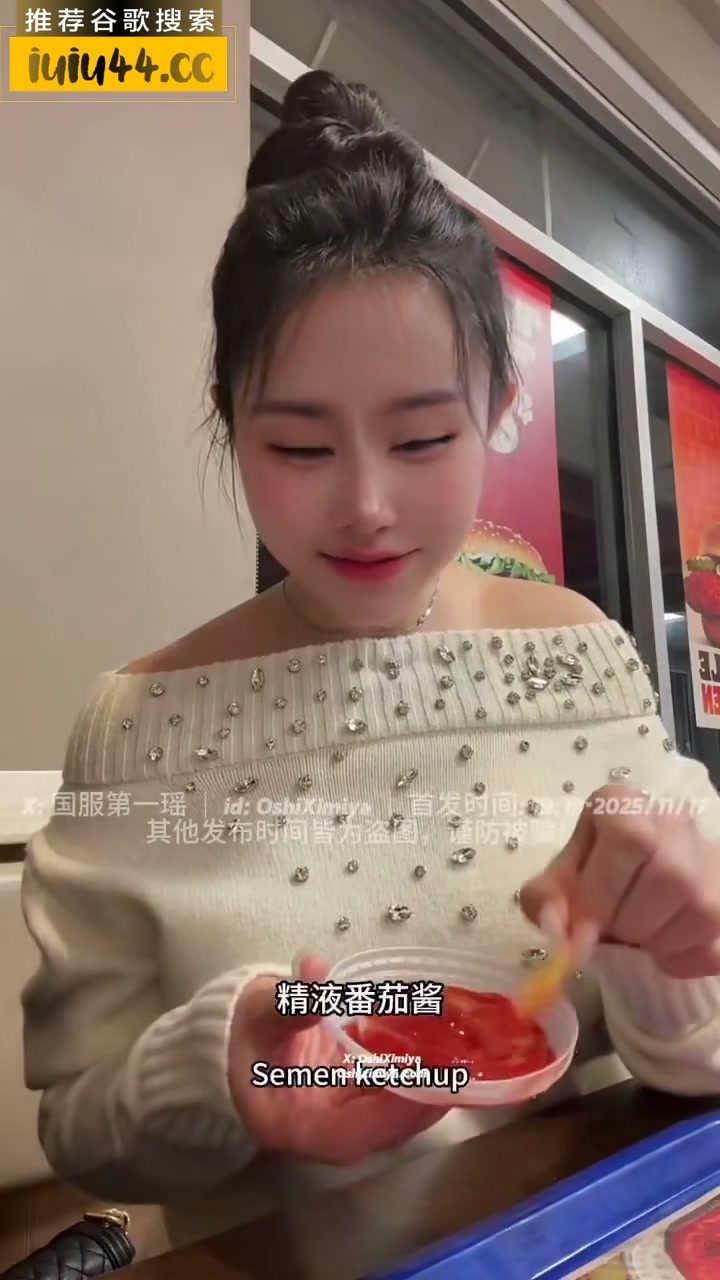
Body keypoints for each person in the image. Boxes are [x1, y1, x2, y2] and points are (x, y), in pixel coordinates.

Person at [21, 68, 720, 1252]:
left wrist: (672, 954)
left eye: (423, 436)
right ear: (228, 420)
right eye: (300, 445)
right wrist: (225, 1063)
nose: (366, 505)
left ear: (498, 403)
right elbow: (82, 1128)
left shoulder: (582, 660)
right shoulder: (141, 724)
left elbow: (700, 1063)